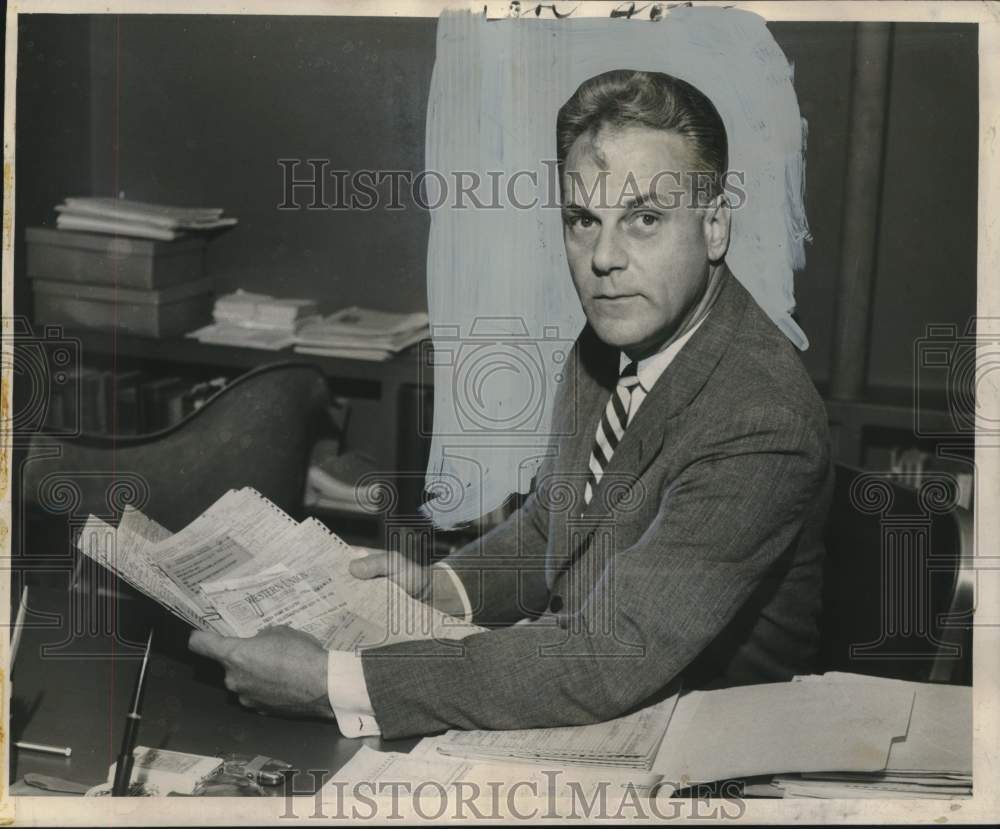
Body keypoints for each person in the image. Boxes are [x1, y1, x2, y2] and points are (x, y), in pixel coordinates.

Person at [189, 69, 832, 740]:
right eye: (584, 220)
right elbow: (554, 527)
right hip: (608, 710)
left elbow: (608, 654)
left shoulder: (761, 415)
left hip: (709, 758)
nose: (604, 258)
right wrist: (442, 588)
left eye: (644, 218)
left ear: (716, 226)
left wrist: (333, 683)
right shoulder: (614, 335)